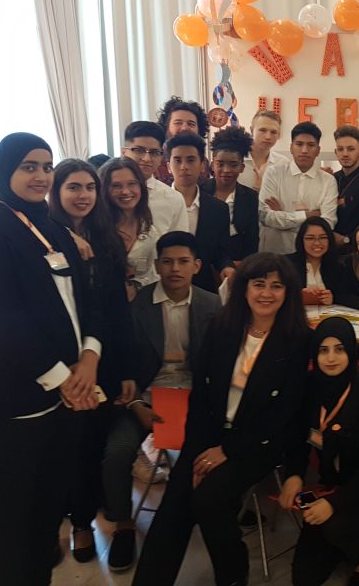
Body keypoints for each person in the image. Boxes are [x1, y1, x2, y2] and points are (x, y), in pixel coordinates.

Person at [0, 133, 103, 586]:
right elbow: (1, 320)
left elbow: (86, 300)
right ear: (4, 169)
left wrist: (89, 357)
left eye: (46, 166)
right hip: (15, 402)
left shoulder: (49, 225)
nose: (40, 176)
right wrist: (64, 378)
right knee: (12, 526)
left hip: (64, 399)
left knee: (45, 515)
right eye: (28, 166)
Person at [132, 253, 310, 586]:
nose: (266, 293)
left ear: (288, 292)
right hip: (208, 435)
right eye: (259, 284)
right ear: (244, 289)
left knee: (208, 500)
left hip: (258, 443)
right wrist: (197, 451)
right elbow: (201, 397)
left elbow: (284, 413)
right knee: (175, 505)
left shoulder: (297, 340)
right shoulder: (221, 328)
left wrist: (227, 450)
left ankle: (232, 576)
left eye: (276, 286)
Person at [102, 231, 221, 572]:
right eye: (167, 261)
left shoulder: (212, 305)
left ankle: (214, 516)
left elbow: (220, 362)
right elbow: (119, 362)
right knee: (116, 453)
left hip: (196, 394)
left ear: (197, 265)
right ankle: (124, 526)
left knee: (220, 449)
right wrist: (135, 405)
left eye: (183, 261)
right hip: (144, 394)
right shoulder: (137, 306)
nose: (175, 269)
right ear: (156, 265)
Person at [49, 159, 136, 564]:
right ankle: (80, 523)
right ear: (56, 191)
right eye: (73, 187)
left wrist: (128, 370)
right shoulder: (44, 238)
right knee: (72, 448)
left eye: (89, 187)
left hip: (107, 357)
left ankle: (110, 517)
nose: (82, 195)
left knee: (99, 442)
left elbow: (118, 310)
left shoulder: (107, 238)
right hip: (63, 360)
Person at [280, 318, 359, 585]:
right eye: (323, 350)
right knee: (304, 579)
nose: (331, 358)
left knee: (335, 526)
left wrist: (333, 504)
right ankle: (338, 540)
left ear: (351, 350)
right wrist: (293, 475)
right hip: (330, 485)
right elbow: (297, 441)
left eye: (339, 349)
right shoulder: (308, 386)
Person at [166, 131, 234, 292]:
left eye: (190, 160)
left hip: (203, 289)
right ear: (168, 166)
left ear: (202, 165)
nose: (184, 167)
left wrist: (226, 266)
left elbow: (221, 252)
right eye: (177, 160)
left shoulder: (218, 209)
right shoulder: (156, 204)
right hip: (163, 284)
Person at [259, 121, 339, 254]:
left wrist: (283, 217)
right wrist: (307, 216)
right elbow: (265, 217)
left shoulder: (328, 181)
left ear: (318, 150)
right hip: (275, 254)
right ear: (291, 147)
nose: (304, 150)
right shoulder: (273, 173)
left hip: (311, 255)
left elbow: (327, 224)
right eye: (299, 144)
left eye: (311, 145)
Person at [101, 157, 163, 293]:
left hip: (141, 301)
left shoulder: (149, 229)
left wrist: (135, 286)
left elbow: (152, 275)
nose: (125, 191)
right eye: (117, 186)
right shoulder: (95, 227)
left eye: (132, 184)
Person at [202, 125, 260, 262]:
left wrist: (244, 265)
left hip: (237, 262)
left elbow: (252, 238)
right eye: (220, 164)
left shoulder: (250, 197)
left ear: (242, 167)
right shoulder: (200, 190)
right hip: (203, 259)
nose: (226, 170)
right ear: (212, 165)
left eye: (233, 165)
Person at [122, 120, 188, 234]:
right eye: (139, 150)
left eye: (154, 152)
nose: (147, 159)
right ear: (124, 152)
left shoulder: (173, 199)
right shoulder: (107, 192)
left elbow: (180, 243)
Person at [153, 96, 209, 185]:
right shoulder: (154, 160)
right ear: (166, 127)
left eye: (191, 124)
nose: (184, 128)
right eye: (178, 123)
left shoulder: (203, 162)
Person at [289, 216, 344, 306]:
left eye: (323, 238)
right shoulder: (287, 264)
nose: (317, 243)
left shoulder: (338, 266)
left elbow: (344, 295)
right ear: (301, 240)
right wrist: (297, 295)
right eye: (310, 238)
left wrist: (333, 298)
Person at [239, 109, 288, 191]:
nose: (268, 137)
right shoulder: (237, 160)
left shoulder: (283, 164)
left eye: (273, 132)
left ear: (278, 134)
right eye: (263, 130)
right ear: (252, 130)